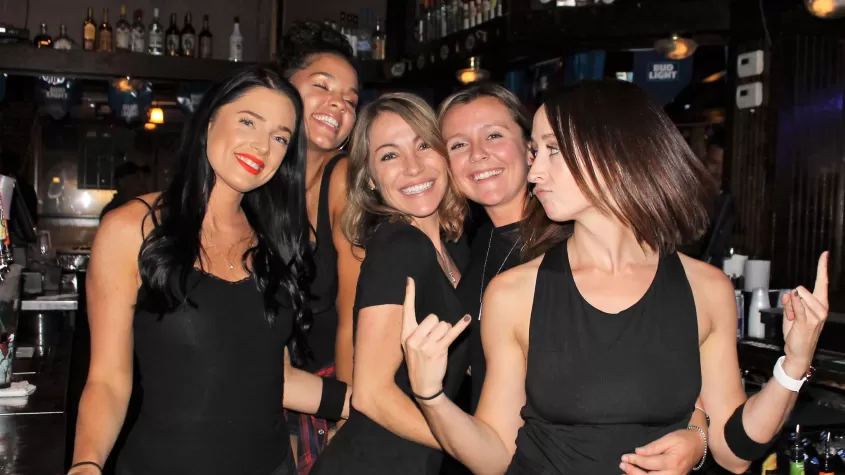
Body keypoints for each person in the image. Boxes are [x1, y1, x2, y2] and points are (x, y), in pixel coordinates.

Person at [401, 80, 829, 474]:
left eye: (553, 150)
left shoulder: (705, 287)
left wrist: (793, 365)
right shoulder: (515, 292)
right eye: (535, 151)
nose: (534, 172)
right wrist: (431, 396)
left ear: (612, 151)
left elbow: (733, 454)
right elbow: (495, 456)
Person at [67, 67, 351, 475]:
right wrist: (86, 463)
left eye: (280, 138)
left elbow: (277, 378)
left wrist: (367, 404)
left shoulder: (277, 242)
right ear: (210, 121)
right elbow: (107, 381)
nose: (263, 145)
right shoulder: (133, 229)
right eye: (248, 122)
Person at [310, 93, 470, 475]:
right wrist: (474, 446)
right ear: (370, 178)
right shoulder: (398, 246)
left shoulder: (454, 247)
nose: (413, 167)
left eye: (423, 145)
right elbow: (370, 395)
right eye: (389, 155)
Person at [276, 21, 362, 472]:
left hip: (323, 399)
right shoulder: (252, 178)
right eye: (322, 86)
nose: (338, 104)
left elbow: (353, 314)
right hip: (253, 391)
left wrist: (345, 419)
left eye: (350, 99)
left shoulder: (342, 180)